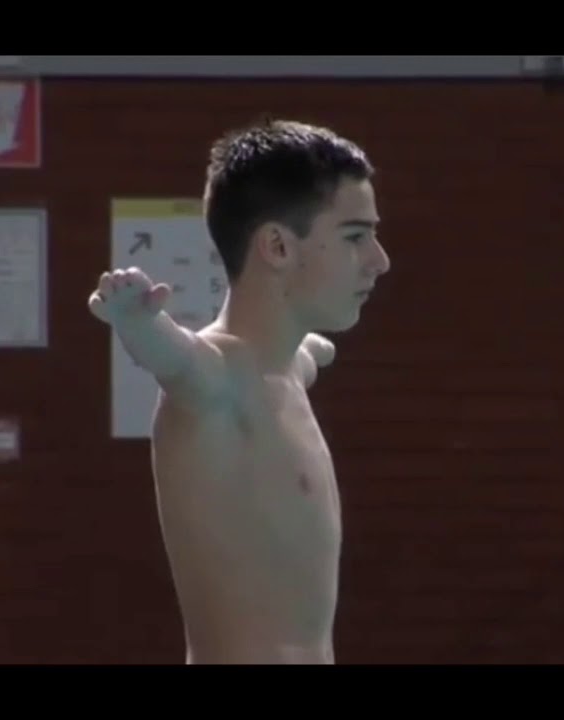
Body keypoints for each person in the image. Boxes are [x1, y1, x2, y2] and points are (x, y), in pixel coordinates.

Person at [88, 118, 391, 664]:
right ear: (276, 245)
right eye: (355, 236)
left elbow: (310, 357)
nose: (379, 260)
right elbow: (174, 359)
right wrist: (135, 323)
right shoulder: (216, 378)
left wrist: (314, 353)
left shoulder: (289, 368)